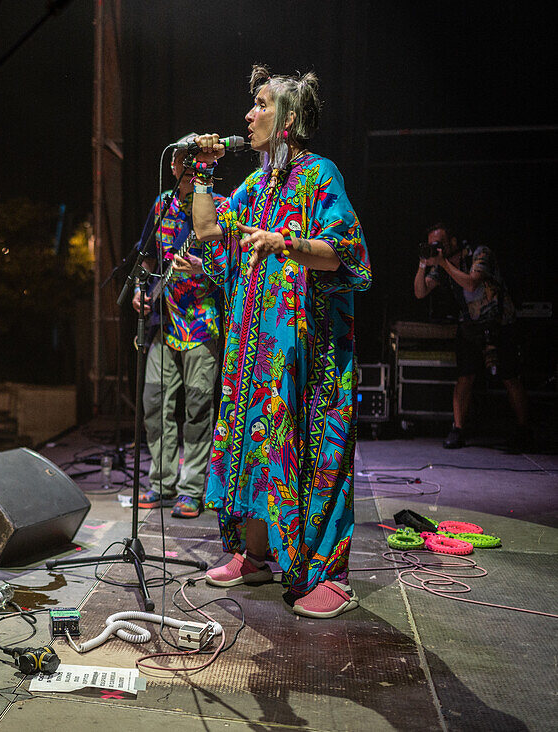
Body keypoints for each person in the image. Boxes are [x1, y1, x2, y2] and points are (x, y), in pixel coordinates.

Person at [188, 66, 372, 618]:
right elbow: (205, 230)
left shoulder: (320, 175)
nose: (248, 114)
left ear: (288, 117)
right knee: (252, 445)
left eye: (261, 104)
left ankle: (329, 576)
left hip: (311, 355)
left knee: (316, 455)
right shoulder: (252, 187)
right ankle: (255, 555)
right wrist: (200, 173)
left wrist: (285, 242)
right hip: (255, 350)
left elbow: (342, 251)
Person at [130, 149, 222, 519]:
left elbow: (231, 263)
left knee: (198, 409)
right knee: (154, 404)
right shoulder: (162, 204)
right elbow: (148, 257)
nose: (185, 169)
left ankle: (191, 488)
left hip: (202, 322)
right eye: (181, 163)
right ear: (173, 168)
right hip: (163, 323)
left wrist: (204, 265)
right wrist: (140, 289)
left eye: (193, 163)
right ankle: (163, 481)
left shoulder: (218, 205)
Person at [412, 223, 531, 451]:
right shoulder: (441, 265)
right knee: (464, 377)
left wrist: (442, 263)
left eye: (438, 244)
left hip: (499, 323)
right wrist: (422, 263)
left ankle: (524, 429)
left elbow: (471, 282)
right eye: (431, 246)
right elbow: (420, 292)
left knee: (509, 377)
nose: (435, 249)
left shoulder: (479, 253)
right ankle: (458, 429)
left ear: (453, 242)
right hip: (470, 327)